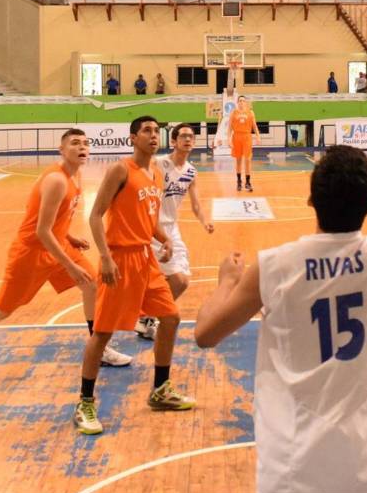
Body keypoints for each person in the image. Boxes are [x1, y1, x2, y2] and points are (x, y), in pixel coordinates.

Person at [194, 138, 367, 493]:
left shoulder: (274, 267)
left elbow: (205, 333)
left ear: (311, 200)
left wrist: (226, 282)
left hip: (295, 472)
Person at [0, 129, 130, 383]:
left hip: (57, 245)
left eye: (85, 143)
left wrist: (70, 238)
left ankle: (99, 348)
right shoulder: (57, 180)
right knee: (3, 308)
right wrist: (70, 266)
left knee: (93, 284)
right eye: (75, 143)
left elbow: (54, 220)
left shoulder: (75, 176)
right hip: (31, 253)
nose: (82, 147)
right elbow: (41, 231)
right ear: (62, 150)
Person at [75, 116, 194, 435]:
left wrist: (164, 239)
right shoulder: (120, 170)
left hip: (146, 259)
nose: (154, 136)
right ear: (132, 138)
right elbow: (96, 214)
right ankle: (85, 403)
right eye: (147, 131)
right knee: (102, 333)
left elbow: (148, 217)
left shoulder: (156, 173)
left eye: (157, 131)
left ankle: (160, 390)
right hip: (120, 259)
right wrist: (105, 256)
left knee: (170, 318)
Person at [135, 123, 216, 341]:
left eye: (191, 136)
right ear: (173, 141)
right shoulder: (160, 164)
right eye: (183, 136)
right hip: (153, 228)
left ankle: (146, 316)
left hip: (172, 228)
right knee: (174, 279)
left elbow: (196, 204)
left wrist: (205, 221)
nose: (188, 139)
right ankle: (145, 316)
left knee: (180, 280)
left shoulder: (191, 171)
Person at [227, 95, 260, 192]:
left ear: (246, 103)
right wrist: (228, 139)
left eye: (243, 101)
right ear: (237, 102)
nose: (241, 102)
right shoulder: (233, 112)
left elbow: (254, 125)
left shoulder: (250, 112)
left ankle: (248, 182)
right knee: (238, 160)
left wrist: (258, 136)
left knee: (248, 160)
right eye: (240, 100)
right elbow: (229, 128)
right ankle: (239, 182)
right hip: (236, 136)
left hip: (247, 137)